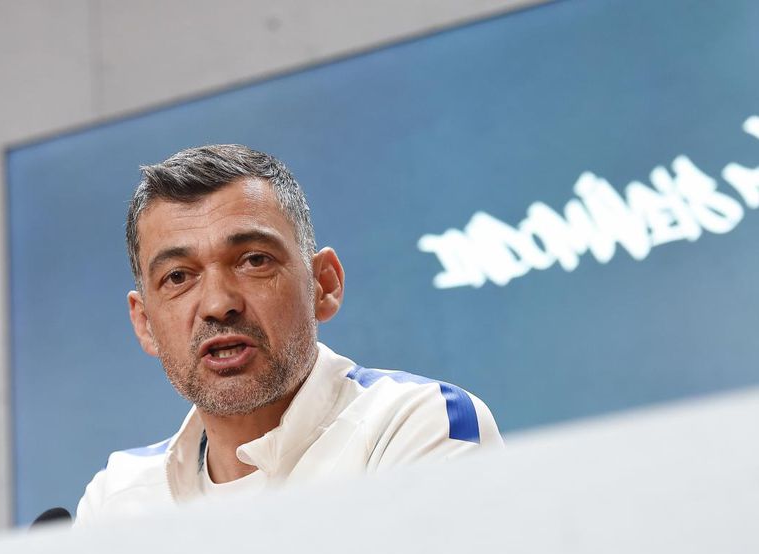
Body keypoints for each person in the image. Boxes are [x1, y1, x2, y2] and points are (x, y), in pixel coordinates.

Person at [75, 145, 502, 525]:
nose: (218, 304)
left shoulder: (414, 425)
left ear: (324, 284)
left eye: (253, 260)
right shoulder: (117, 497)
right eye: (178, 277)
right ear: (145, 323)